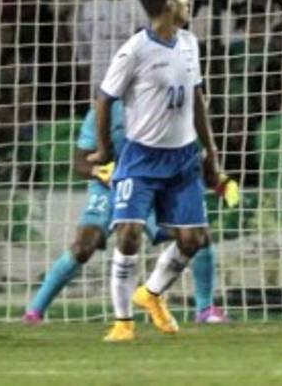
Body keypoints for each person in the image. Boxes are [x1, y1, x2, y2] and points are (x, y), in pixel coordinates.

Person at [92, 0, 226, 342]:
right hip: (141, 158)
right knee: (129, 233)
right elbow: (104, 99)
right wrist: (105, 150)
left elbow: (197, 99)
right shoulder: (135, 50)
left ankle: (150, 295)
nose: (187, 2)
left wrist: (210, 154)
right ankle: (123, 322)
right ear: (168, 4)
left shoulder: (188, 43)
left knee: (193, 239)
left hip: (183, 157)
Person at [23, 100, 234, 325]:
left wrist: (217, 177)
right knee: (85, 244)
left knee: (196, 236)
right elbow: (80, 162)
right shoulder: (104, 110)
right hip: (109, 188)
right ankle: (35, 312)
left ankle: (205, 309)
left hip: (155, 186)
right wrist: (99, 172)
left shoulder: (167, 103)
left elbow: (189, 151)